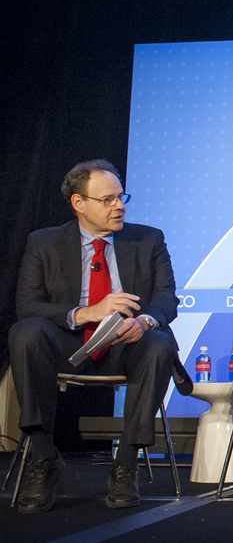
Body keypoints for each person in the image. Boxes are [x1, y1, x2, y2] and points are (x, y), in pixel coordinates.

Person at [8, 159, 191, 513]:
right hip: (67, 344)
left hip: (125, 345)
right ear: (79, 203)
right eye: (107, 199)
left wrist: (146, 322)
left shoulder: (148, 239)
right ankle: (44, 456)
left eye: (121, 197)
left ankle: (125, 462)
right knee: (26, 332)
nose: (119, 206)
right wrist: (85, 313)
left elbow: (166, 298)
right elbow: (28, 305)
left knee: (159, 344)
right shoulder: (43, 242)